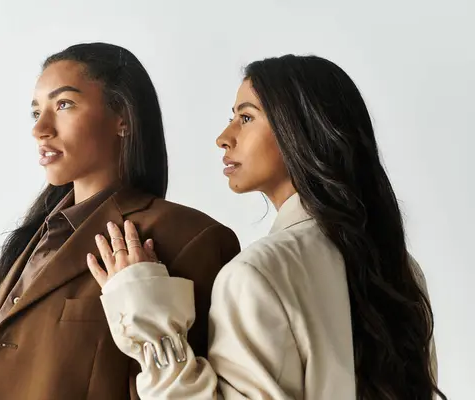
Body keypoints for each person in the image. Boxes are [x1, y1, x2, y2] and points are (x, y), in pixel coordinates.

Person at [88, 55, 447, 399]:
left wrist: (148, 319)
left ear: (300, 129)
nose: (224, 137)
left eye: (246, 118)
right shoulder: (401, 269)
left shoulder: (256, 274)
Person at [0, 42, 240, 400]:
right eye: (37, 112)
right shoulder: (36, 237)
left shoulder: (190, 238)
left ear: (122, 118)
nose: (41, 129)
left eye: (64, 105)